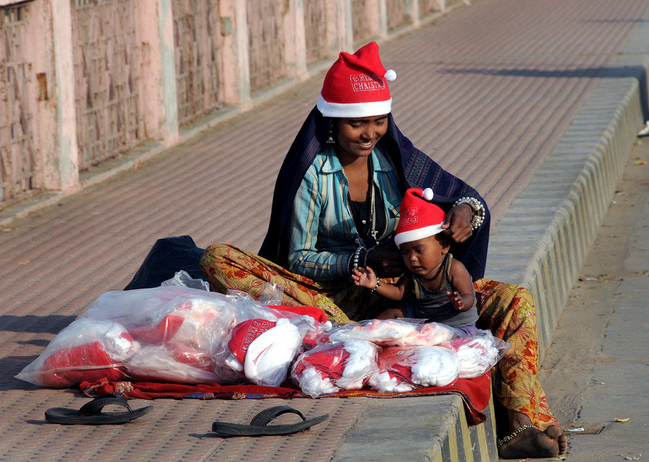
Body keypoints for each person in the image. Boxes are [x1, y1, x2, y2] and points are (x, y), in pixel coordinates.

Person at [201, 42, 567, 458]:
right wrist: (361, 261)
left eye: (378, 121)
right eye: (357, 124)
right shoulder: (311, 175)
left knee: (513, 300)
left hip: (413, 296)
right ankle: (345, 338)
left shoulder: (394, 162)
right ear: (332, 123)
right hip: (336, 299)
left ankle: (520, 423)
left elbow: (449, 198)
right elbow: (297, 258)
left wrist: (465, 210)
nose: (369, 133)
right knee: (217, 257)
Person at [352, 187, 478, 336]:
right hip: (425, 321)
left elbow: (468, 295)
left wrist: (461, 302)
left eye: (419, 251)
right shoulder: (414, 273)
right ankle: (366, 334)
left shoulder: (454, 268)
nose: (412, 258)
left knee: (451, 342)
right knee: (393, 312)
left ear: (444, 246)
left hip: (456, 325)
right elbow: (399, 292)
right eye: (406, 252)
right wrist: (375, 284)